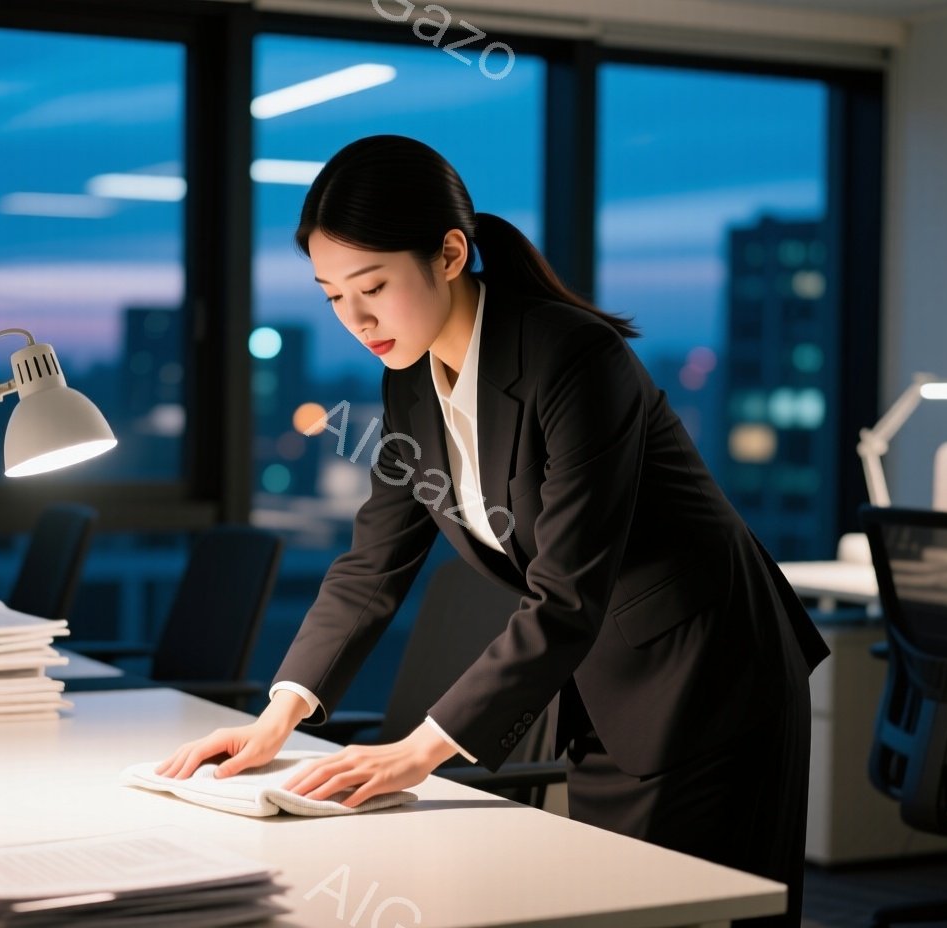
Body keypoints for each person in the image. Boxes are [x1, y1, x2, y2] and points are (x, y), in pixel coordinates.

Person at [155, 134, 829, 928]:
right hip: (600, 684)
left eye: (372, 285)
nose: (356, 318)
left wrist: (419, 750)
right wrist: (277, 719)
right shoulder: (408, 382)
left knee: (704, 914)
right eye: (333, 296)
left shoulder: (574, 356)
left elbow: (567, 591)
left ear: (448, 252)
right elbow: (373, 562)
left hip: (711, 674)